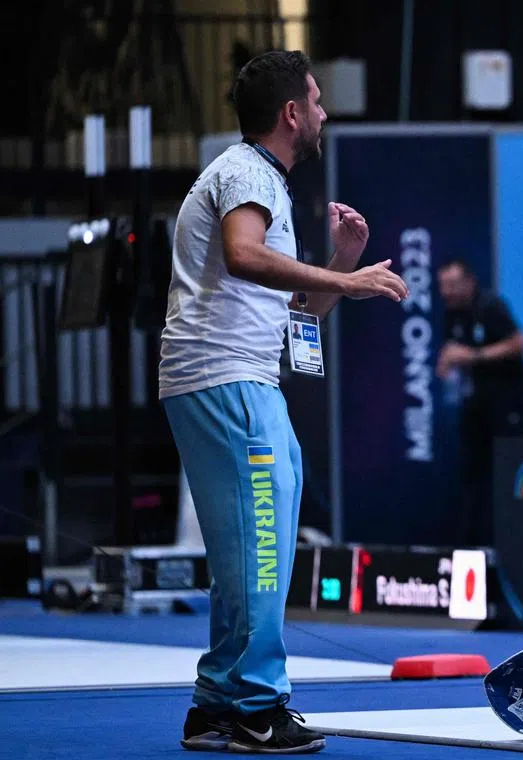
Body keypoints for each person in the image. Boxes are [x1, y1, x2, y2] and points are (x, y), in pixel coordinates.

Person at [159, 50, 408, 753]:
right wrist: (357, 286)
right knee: (264, 547)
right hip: (227, 380)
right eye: (318, 101)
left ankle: (217, 703)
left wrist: (343, 264)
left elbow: (297, 312)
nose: (325, 114)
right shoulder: (245, 172)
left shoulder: (259, 179)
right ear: (292, 113)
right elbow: (242, 255)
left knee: (246, 549)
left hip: (232, 378)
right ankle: (258, 706)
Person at [435, 259, 523, 548]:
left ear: (469, 282)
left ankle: (515, 542)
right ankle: (474, 546)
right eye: (442, 286)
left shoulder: (490, 306)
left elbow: (518, 344)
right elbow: (453, 355)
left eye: (452, 285)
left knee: (508, 475)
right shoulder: (452, 315)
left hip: (506, 406)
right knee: (474, 482)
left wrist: (473, 356)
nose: (446, 292)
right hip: (475, 408)